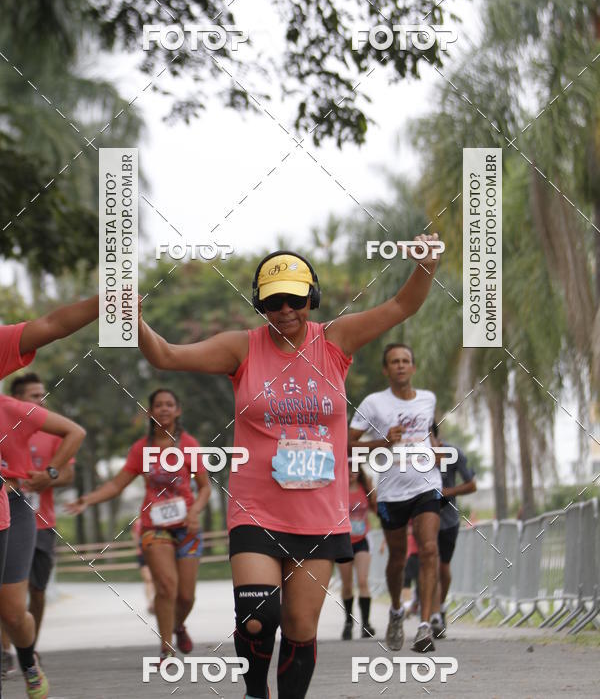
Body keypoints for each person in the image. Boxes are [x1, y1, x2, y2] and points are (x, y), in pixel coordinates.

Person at [137, 238, 440, 699]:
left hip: (319, 514)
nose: (285, 310)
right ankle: (255, 692)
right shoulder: (242, 349)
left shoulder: (335, 341)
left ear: (310, 299)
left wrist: (426, 266)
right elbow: (166, 355)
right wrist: (131, 318)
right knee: (260, 617)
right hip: (256, 508)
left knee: (300, 626)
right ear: (261, 303)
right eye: (274, 300)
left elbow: (402, 304)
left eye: (295, 299)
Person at [67, 388, 211, 660]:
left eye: (170, 404)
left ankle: (178, 625)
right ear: (150, 412)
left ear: (178, 411)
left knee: (186, 597)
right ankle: (166, 649)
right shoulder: (141, 449)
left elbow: (205, 488)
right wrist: (88, 499)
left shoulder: (189, 445)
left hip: (187, 527)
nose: (164, 409)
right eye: (158, 405)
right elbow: (116, 484)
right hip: (153, 526)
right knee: (166, 586)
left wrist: (195, 513)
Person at [0, 298, 97, 698]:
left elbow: (54, 323)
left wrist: (109, 300)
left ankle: (27, 659)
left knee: (12, 612)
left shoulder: (12, 410)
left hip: (10, 508)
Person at [349, 343, 442, 654]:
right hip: (391, 493)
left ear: (413, 367)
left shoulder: (428, 399)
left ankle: (425, 625)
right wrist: (383, 441)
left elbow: (430, 432)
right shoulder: (374, 403)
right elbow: (349, 445)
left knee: (429, 548)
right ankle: (396, 613)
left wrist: (436, 450)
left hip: (427, 485)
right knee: (398, 559)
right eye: (394, 362)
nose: (401, 366)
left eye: (406, 360)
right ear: (386, 370)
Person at [10, 374, 76, 649]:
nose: (41, 400)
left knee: (37, 592)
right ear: (17, 401)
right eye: (34, 396)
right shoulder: (7, 429)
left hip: (42, 524)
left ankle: (30, 649)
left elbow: (68, 474)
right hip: (8, 521)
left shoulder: (52, 431)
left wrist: (44, 477)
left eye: (42, 395)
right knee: (8, 595)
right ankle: (5, 652)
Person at [429, 421, 476, 638]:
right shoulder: (413, 458)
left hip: (448, 521)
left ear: (434, 436)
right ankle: (434, 614)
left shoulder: (453, 454)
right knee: (430, 564)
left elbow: (472, 485)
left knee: (443, 568)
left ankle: (440, 606)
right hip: (424, 521)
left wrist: (448, 491)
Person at [338, 461, 376, 640]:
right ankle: (348, 622)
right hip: (344, 541)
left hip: (362, 541)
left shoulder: (365, 487)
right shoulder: (337, 488)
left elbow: (376, 509)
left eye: (355, 468)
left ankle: (366, 624)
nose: (352, 472)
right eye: (348, 467)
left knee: (362, 581)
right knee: (347, 585)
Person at [133, 517, 156, 615]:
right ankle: (150, 603)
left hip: (156, 552)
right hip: (143, 553)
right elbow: (135, 538)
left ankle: (155, 602)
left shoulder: (155, 520)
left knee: (154, 579)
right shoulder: (138, 523)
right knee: (148, 580)